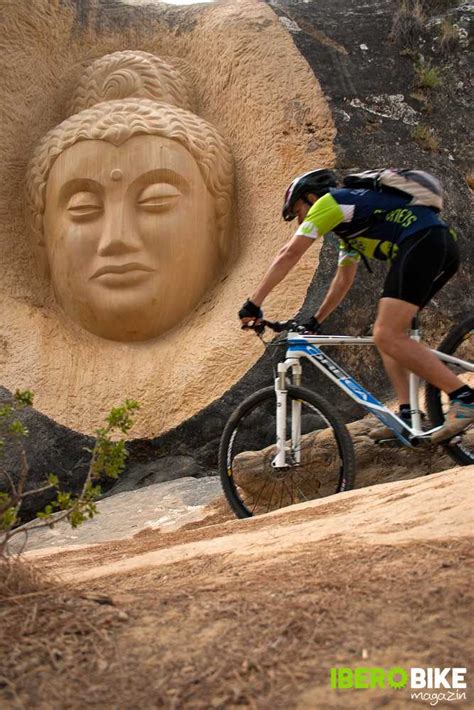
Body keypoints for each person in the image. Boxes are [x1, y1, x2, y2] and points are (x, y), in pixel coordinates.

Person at [238, 168, 474, 443]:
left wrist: (253, 303)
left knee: (387, 334)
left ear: (311, 197)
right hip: (434, 245)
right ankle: (409, 416)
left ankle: (464, 398)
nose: (299, 220)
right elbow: (343, 279)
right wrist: (315, 321)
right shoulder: (349, 228)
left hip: (423, 242)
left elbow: (289, 253)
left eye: (297, 210)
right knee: (387, 335)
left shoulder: (330, 203)